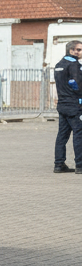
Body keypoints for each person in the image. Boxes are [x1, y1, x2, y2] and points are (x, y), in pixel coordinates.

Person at [52, 40, 82, 173]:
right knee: (79, 134)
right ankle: (80, 165)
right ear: (72, 51)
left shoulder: (59, 64)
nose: (80, 52)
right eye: (78, 49)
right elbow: (77, 85)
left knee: (62, 135)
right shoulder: (74, 64)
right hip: (74, 105)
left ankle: (59, 164)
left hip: (62, 104)